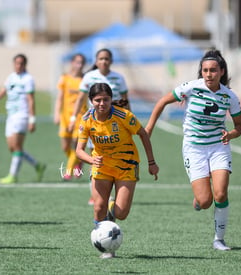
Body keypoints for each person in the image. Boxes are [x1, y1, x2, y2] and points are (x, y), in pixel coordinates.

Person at [145, 49, 241, 251]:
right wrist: (148, 128)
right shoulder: (191, 88)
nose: (209, 74)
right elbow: (163, 101)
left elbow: (240, 126)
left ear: (221, 72)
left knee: (221, 194)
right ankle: (199, 199)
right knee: (206, 201)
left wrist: (231, 134)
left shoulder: (230, 96)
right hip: (194, 149)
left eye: (213, 70)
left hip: (218, 147)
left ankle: (219, 239)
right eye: (205, 70)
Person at [76, 83, 159, 259]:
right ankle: (105, 246)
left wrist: (151, 162)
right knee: (99, 207)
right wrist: (91, 159)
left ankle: (111, 209)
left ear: (111, 100)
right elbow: (79, 150)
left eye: (105, 99)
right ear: (91, 101)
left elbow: (143, 134)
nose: (101, 103)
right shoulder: (86, 120)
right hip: (102, 166)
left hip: (126, 165)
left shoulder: (124, 116)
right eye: (97, 100)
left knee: (121, 213)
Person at [69, 48, 129, 205]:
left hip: (116, 123)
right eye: (101, 59)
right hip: (95, 124)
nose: (104, 61)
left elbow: (125, 100)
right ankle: (94, 194)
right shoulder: (89, 77)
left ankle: (115, 192)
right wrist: (72, 117)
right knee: (95, 158)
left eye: (107, 59)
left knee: (115, 157)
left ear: (111, 61)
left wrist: (129, 120)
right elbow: (80, 98)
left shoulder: (118, 78)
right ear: (96, 61)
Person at [0, 53, 46, 184]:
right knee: (12, 148)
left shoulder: (28, 79)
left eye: (21, 63)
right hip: (11, 116)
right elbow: (2, 92)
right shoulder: (11, 77)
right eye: (16, 63)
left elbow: (31, 100)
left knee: (17, 146)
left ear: (25, 65)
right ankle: (37, 165)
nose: (18, 65)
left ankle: (13, 176)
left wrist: (32, 119)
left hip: (22, 115)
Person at [54, 53, 86, 181]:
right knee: (65, 147)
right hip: (65, 117)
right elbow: (60, 97)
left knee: (75, 145)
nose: (79, 65)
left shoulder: (85, 79)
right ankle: (78, 162)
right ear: (72, 63)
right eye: (77, 62)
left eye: (82, 63)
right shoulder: (64, 78)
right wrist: (57, 113)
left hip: (79, 117)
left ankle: (68, 172)